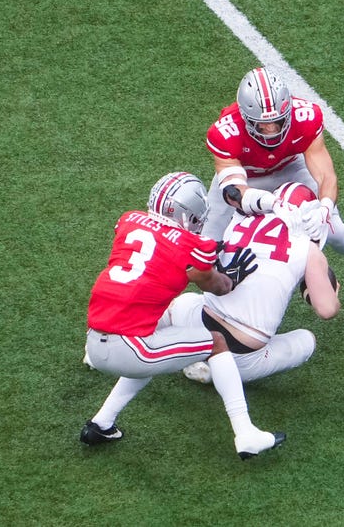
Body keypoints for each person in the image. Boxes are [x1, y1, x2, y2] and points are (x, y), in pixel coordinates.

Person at [81, 171, 285, 460]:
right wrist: (229, 278)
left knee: (153, 337)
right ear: (186, 212)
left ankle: (101, 424)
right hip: (128, 348)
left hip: (95, 340)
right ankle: (246, 433)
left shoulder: (129, 221)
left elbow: (152, 262)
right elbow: (215, 285)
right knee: (215, 342)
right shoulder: (192, 246)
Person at [202, 66, 344, 307]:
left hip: (290, 167)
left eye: (277, 122)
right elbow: (234, 192)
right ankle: (216, 307)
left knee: (333, 228)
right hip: (248, 177)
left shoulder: (305, 116)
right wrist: (271, 203)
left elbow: (326, 176)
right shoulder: (225, 131)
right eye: (262, 126)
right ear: (245, 118)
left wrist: (325, 209)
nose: (271, 131)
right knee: (207, 246)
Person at [167, 182, 341, 385]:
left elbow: (231, 192)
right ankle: (217, 372)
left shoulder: (241, 218)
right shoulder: (309, 249)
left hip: (201, 321)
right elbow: (327, 309)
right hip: (242, 352)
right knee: (306, 341)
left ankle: (170, 342)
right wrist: (332, 293)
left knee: (185, 301)